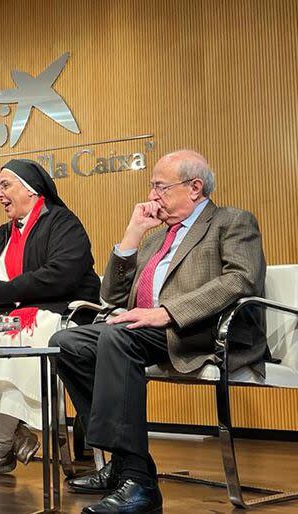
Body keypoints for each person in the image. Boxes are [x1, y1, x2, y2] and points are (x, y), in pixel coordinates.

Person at [50, 150, 267, 514]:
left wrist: (166, 313)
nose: (151, 196)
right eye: (152, 187)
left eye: (160, 187)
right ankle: (126, 464)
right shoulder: (154, 237)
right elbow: (111, 297)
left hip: (201, 330)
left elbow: (241, 279)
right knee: (66, 342)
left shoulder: (231, 221)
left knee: (116, 336)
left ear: (194, 188)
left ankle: (138, 485)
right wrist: (133, 233)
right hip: (146, 330)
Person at [0, 159, 100, 476]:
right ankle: (14, 433)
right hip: (10, 315)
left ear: (31, 189)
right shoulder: (0, 235)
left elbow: (60, 276)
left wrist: (0, 290)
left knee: (16, 340)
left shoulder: (62, 223)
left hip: (59, 313)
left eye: (4, 186)